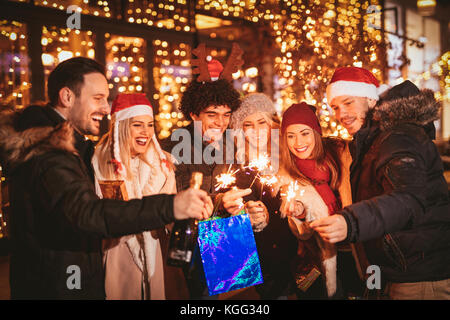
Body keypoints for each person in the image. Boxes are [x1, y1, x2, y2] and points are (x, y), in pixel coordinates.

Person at [0, 57, 213, 299]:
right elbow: (86, 213)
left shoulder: (74, 148)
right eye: (98, 98)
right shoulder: (49, 152)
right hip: (57, 287)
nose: (105, 107)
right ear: (67, 97)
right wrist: (171, 205)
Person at [311, 66, 450, 299]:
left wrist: (351, 222)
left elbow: (407, 199)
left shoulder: (398, 136)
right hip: (395, 271)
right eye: (335, 107)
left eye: (348, 102)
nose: (341, 114)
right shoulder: (371, 140)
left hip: (421, 277)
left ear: (370, 99)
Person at [160, 44, 256, 299]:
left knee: (239, 299)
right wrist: (218, 203)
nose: (220, 123)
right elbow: (175, 202)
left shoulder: (231, 146)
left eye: (226, 115)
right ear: (193, 113)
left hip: (228, 242)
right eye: (212, 115)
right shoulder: (172, 149)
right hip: (189, 248)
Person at [92, 93, 186, 300]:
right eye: (137, 125)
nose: (146, 132)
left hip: (156, 250)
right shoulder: (98, 163)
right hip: (117, 251)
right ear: (121, 126)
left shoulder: (163, 164)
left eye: (150, 124)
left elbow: (171, 214)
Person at [222, 92, 298, 299]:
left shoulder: (291, 153)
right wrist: (249, 214)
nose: (255, 131)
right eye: (248, 125)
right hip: (262, 259)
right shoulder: (236, 164)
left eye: (261, 122)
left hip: (298, 253)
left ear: (272, 123)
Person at [275, 102, 353, 299]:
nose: (298, 142)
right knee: (311, 293)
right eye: (290, 136)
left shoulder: (339, 154)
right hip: (311, 258)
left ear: (316, 132)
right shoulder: (286, 171)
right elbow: (300, 233)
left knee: (353, 290)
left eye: (304, 133)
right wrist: (299, 213)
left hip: (349, 249)